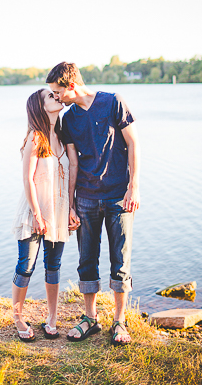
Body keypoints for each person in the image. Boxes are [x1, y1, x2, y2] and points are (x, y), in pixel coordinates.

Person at [46, 61, 140, 345]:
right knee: (86, 260)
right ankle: (90, 318)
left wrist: (134, 187)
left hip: (118, 196)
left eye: (57, 92)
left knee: (120, 261)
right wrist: (72, 204)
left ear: (71, 86)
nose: (56, 97)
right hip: (86, 197)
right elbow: (73, 162)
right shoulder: (69, 119)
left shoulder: (113, 103)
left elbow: (134, 143)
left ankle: (119, 322)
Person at [10, 88, 76, 342]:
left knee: (54, 266)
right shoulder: (35, 138)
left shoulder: (60, 136)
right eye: (50, 96)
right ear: (40, 106)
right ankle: (17, 317)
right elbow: (27, 179)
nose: (57, 97)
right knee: (26, 266)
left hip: (57, 213)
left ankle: (51, 317)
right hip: (34, 212)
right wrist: (37, 214)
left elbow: (69, 176)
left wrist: (70, 209)